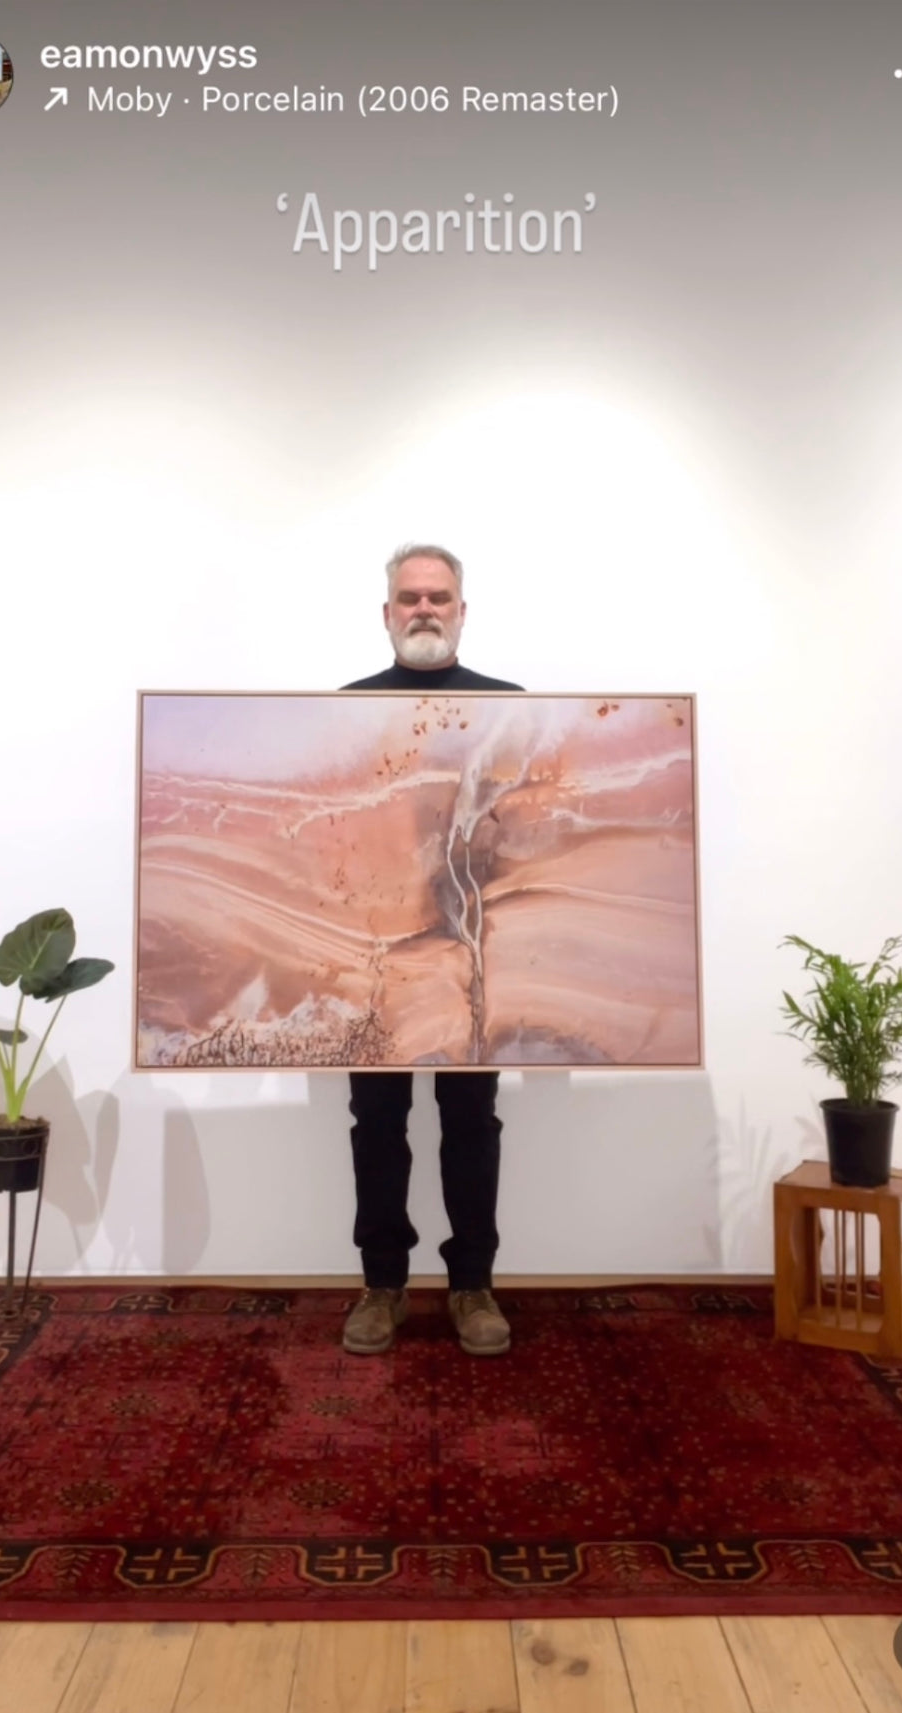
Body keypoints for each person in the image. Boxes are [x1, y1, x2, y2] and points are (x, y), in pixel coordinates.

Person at [340, 543, 523, 1358]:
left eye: (438, 597)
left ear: (461, 611)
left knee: (470, 1119)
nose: (423, 609)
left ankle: (471, 1285)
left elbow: (523, 836)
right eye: (409, 597)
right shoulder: (344, 710)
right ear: (386, 613)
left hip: (475, 957)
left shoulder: (506, 706)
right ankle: (383, 1284)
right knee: (376, 1120)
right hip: (375, 959)